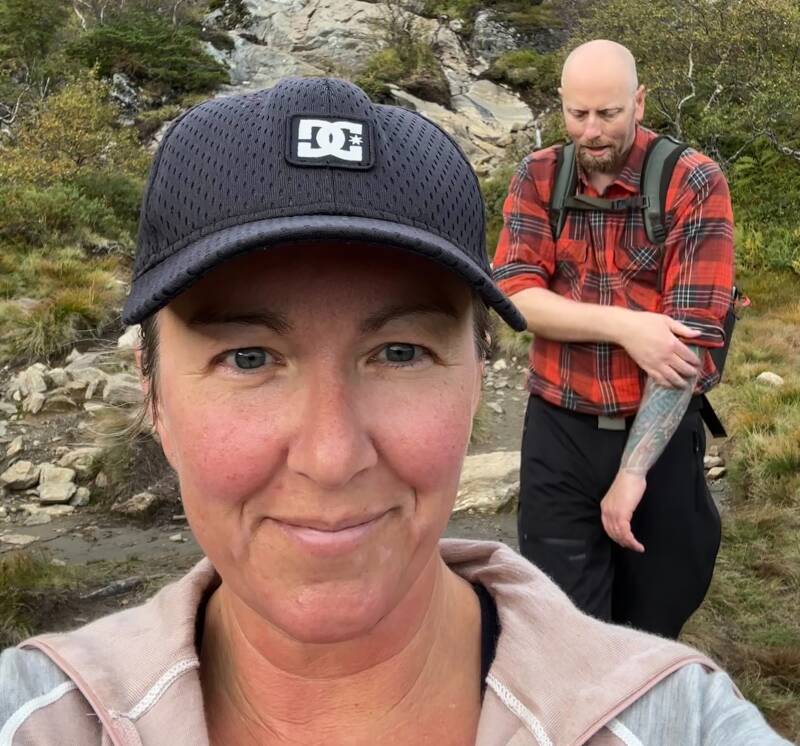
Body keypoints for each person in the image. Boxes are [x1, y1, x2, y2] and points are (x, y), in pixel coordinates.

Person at [0, 77, 786, 745]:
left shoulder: (675, 721)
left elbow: (689, 333)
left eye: (400, 353)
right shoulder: (38, 717)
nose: (331, 457)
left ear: (478, 376)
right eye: (248, 358)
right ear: (153, 391)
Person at [493, 40, 735, 639]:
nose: (592, 131)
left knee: (654, 617)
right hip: (559, 427)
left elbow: (687, 345)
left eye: (609, 113)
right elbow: (516, 296)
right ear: (561, 104)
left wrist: (632, 473)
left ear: (639, 102)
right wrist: (629, 326)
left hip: (657, 427)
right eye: (578, 114)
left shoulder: (692, 181)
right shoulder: (538, 175)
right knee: (564, 621)